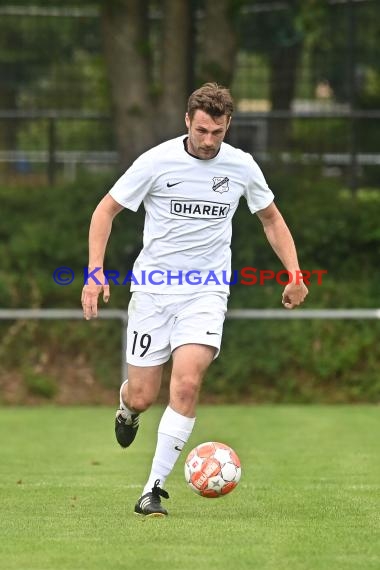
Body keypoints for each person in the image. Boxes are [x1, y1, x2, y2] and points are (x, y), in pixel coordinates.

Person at [81, 82, 308, 518]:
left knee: (186, 383)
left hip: (206, 291)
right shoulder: (156, 161)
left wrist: (295, 274)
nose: (208, 141)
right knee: (144, 395)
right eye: (202, 130)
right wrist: (94, 272)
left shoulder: (241, 167)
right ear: (188, 121)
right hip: (152, 291)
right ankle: (127, 409)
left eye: (217, 133)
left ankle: (152, 489)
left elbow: (271, 219)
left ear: (228, 127)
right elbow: (104, 211)